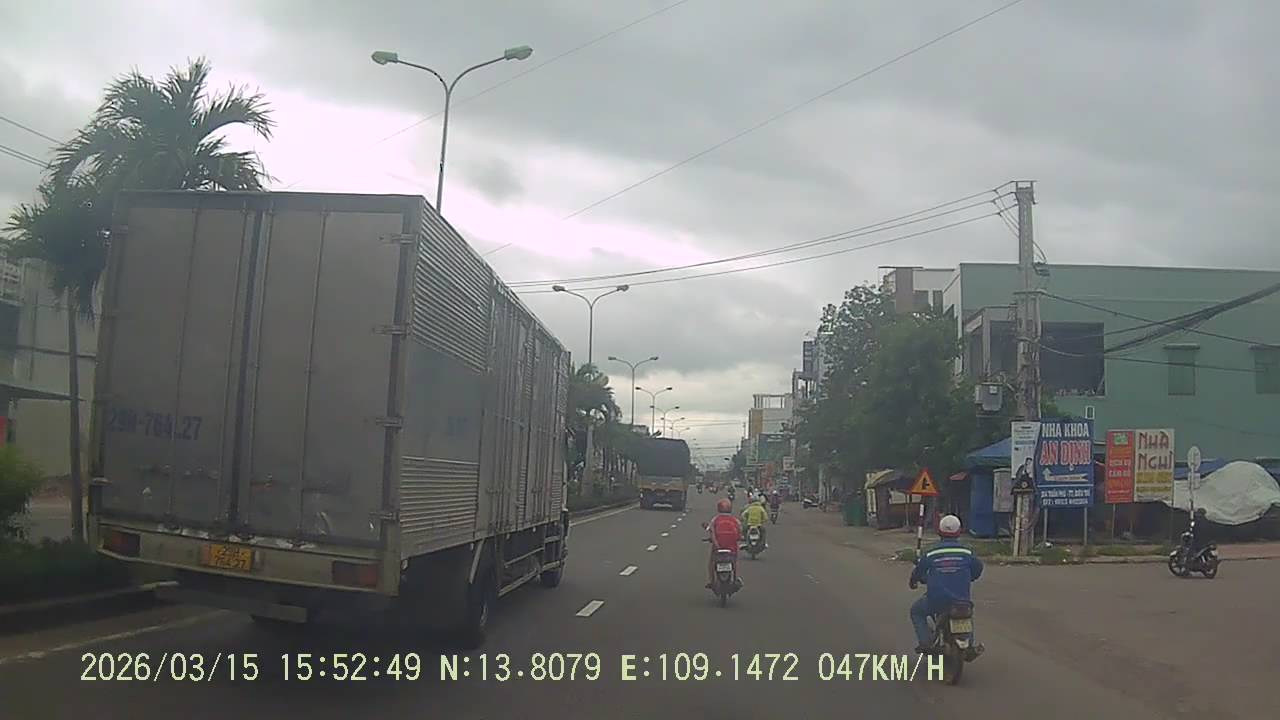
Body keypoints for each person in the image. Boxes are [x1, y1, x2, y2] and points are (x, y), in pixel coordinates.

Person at [909, 514, 984, 657]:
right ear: (959, 532)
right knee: (966, 613)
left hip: (936, 601)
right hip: (961, 600)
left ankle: (925, 643)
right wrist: (971, 577)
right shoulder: (967, 552)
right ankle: (969, 645)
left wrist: (914, 581)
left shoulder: (931, 553)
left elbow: (918, 571)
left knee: (916, 611)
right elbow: (978, 569)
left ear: (939, 532)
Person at [706, 498, 743, 588]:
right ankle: (735, 578)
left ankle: (712, 581)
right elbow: (739, 533)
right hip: (732, 548)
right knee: (734, 562)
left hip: (718, 547)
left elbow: (711, 531)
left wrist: (715, 543)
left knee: (711, 562)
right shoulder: (735, 520)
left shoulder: (715, 519)